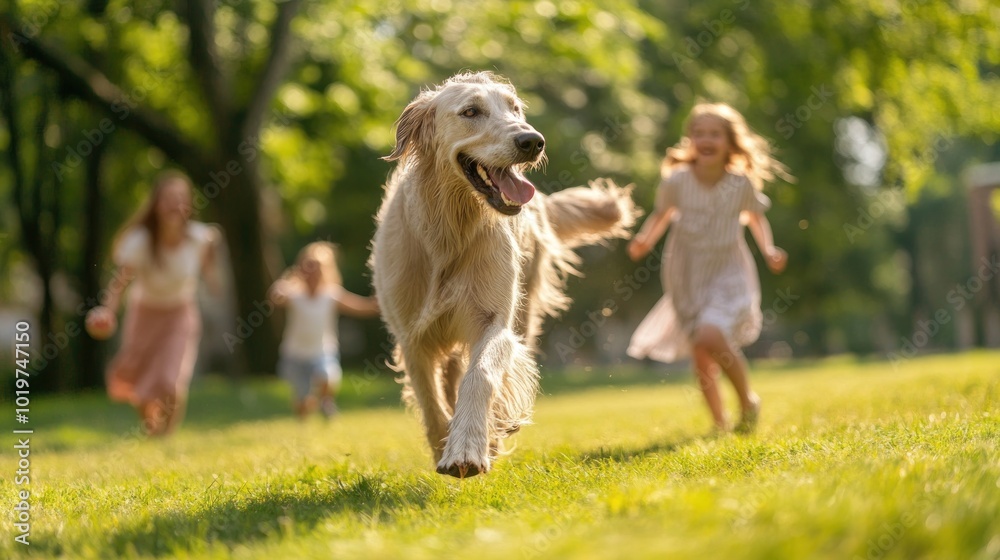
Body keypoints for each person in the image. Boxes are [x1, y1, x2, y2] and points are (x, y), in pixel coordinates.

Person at [626, 102, 791, 434]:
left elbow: (756, 219)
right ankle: (720, 423)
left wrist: (769, 249)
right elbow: (662, 215)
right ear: (690, 141)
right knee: (701, 352)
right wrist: (644, 240)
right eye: (698, 133)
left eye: (714, 133)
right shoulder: (677, 181)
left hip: (728, 271)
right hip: (686, 273)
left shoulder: (740, 183)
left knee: (710, 334)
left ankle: (747, 400)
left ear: (730, 142)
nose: (706, 139)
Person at [85, 170, 221, 436]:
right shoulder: (140, 241)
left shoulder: (198, 238)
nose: (175, 204)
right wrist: (107, 312)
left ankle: (165, 437)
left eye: (181, 198)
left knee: (170, 381)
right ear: (156, 204)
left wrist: (213, 278)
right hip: (144, 314)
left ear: (189, 205)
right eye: (168, 198)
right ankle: (152, 431)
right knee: (139, 381)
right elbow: (120, 282)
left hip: (179, 314)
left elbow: (207, 265)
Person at [269, 241, 379, 420]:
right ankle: (309, 407)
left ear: (326, 270)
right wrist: (284, 285)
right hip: (295, 354)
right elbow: (276, 298)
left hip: (322, 351)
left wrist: (378, 303)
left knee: (327, 376)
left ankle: (326, 402)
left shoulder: (331, 294)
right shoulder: (294, 293)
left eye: (317, 267)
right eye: (308, 266)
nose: (312, 272)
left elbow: (361, 307)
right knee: (302, 403)